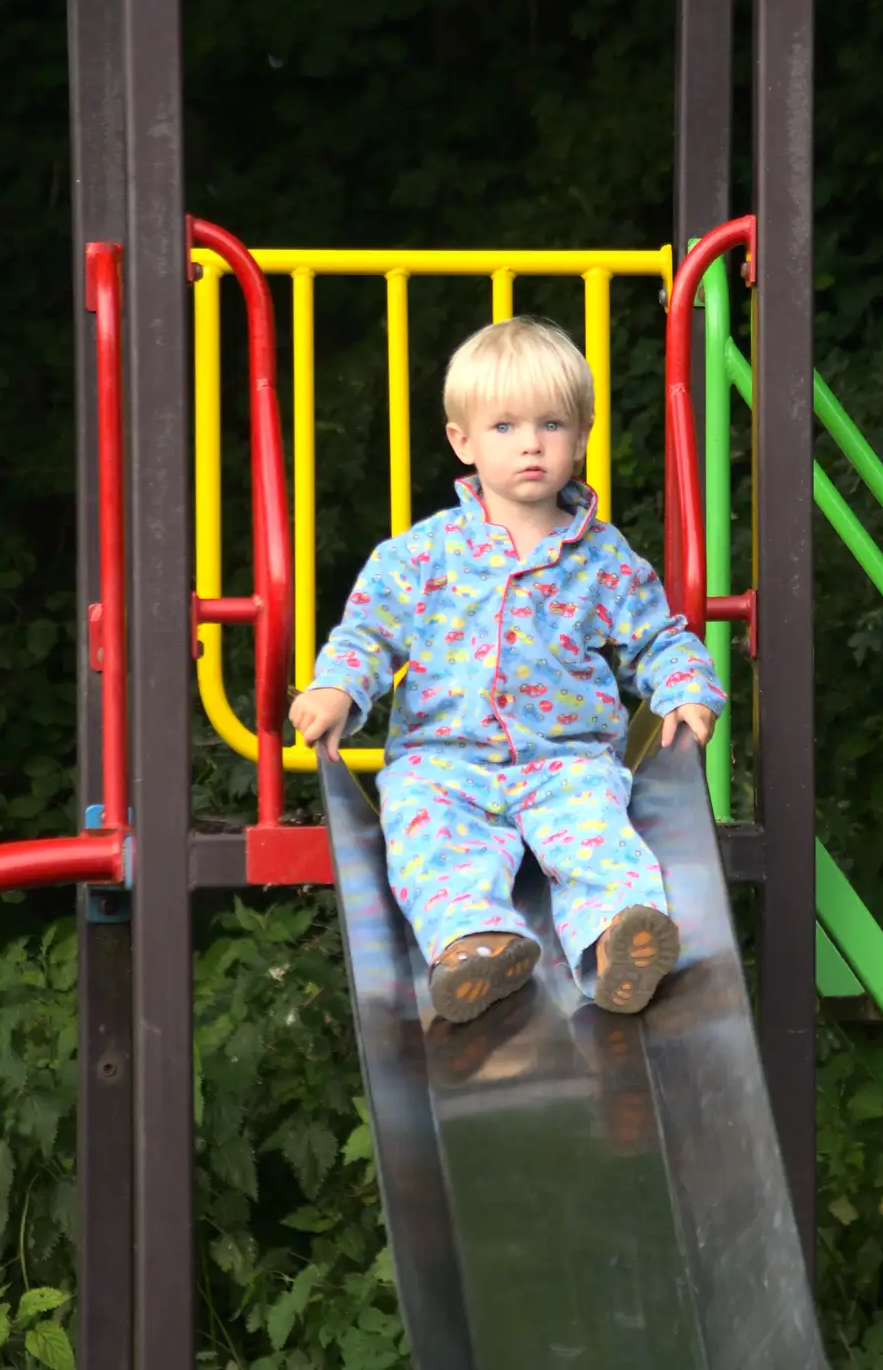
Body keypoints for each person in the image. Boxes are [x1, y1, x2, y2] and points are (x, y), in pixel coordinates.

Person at [290, 316, 726, 1023]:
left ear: (580, 437)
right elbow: (368, 634)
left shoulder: (604, 559)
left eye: (551, 424)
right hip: (443, 761)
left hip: (566, 761)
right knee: (427, 836)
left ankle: (620, 938)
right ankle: (476, 943)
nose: (530, 444)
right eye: (504, 427)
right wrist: (339, 685)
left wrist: (685, 687)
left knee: (600, 838)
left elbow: (659, 637)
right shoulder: (422, 555)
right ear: (462, 441)